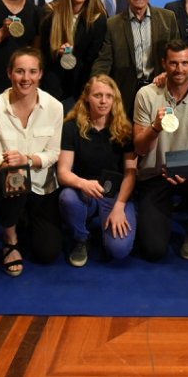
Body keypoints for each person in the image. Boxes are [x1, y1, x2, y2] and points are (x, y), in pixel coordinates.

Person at [133, 40, 188, 261]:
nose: (179, 69)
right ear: (164, 63)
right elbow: (139, 147)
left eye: (184, 63)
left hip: (186, 171)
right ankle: (157, 211)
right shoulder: (146, 95)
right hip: (153, 175)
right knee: (153, 251)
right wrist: (155, 127)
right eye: (173, 63)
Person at [0, 48, 65, 275]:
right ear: (9, 73)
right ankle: (10, 239)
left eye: (32, 72)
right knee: (14, 178)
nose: (26, 78)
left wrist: (26, 159)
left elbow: (54, 154)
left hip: (42, 184)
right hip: (9, 182)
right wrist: (12, 164)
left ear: (40, 75)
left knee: (47, 253)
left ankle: (25, 220)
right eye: (19, 71)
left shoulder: (55, 107)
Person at [57, 75, 138, 266]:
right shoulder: (70, 128)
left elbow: (130, 173)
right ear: (86, 97)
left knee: (118, 250)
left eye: (109, 96)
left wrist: (119, 206)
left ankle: (119, 218)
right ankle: (81, 238)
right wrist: (82, 183)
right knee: (67, 197)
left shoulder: (125, 131)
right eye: (97, 95)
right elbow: (63, 172)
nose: (103, 101)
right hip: (84, 192)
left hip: (115, 195)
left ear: (115, 99)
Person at [92, 0, 180, 119]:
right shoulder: (113, 24)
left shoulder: (167, 18)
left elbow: (177, 53)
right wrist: (96, 83)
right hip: (125, 94)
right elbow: (104, 60)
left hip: (160, 89)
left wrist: (168, 73)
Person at [39, 0, 109, 108]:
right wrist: (57, 52)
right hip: (51, 87)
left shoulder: (98, 18)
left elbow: (93, 60)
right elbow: (42, 53)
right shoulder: (50, 12)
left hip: (81, 89)